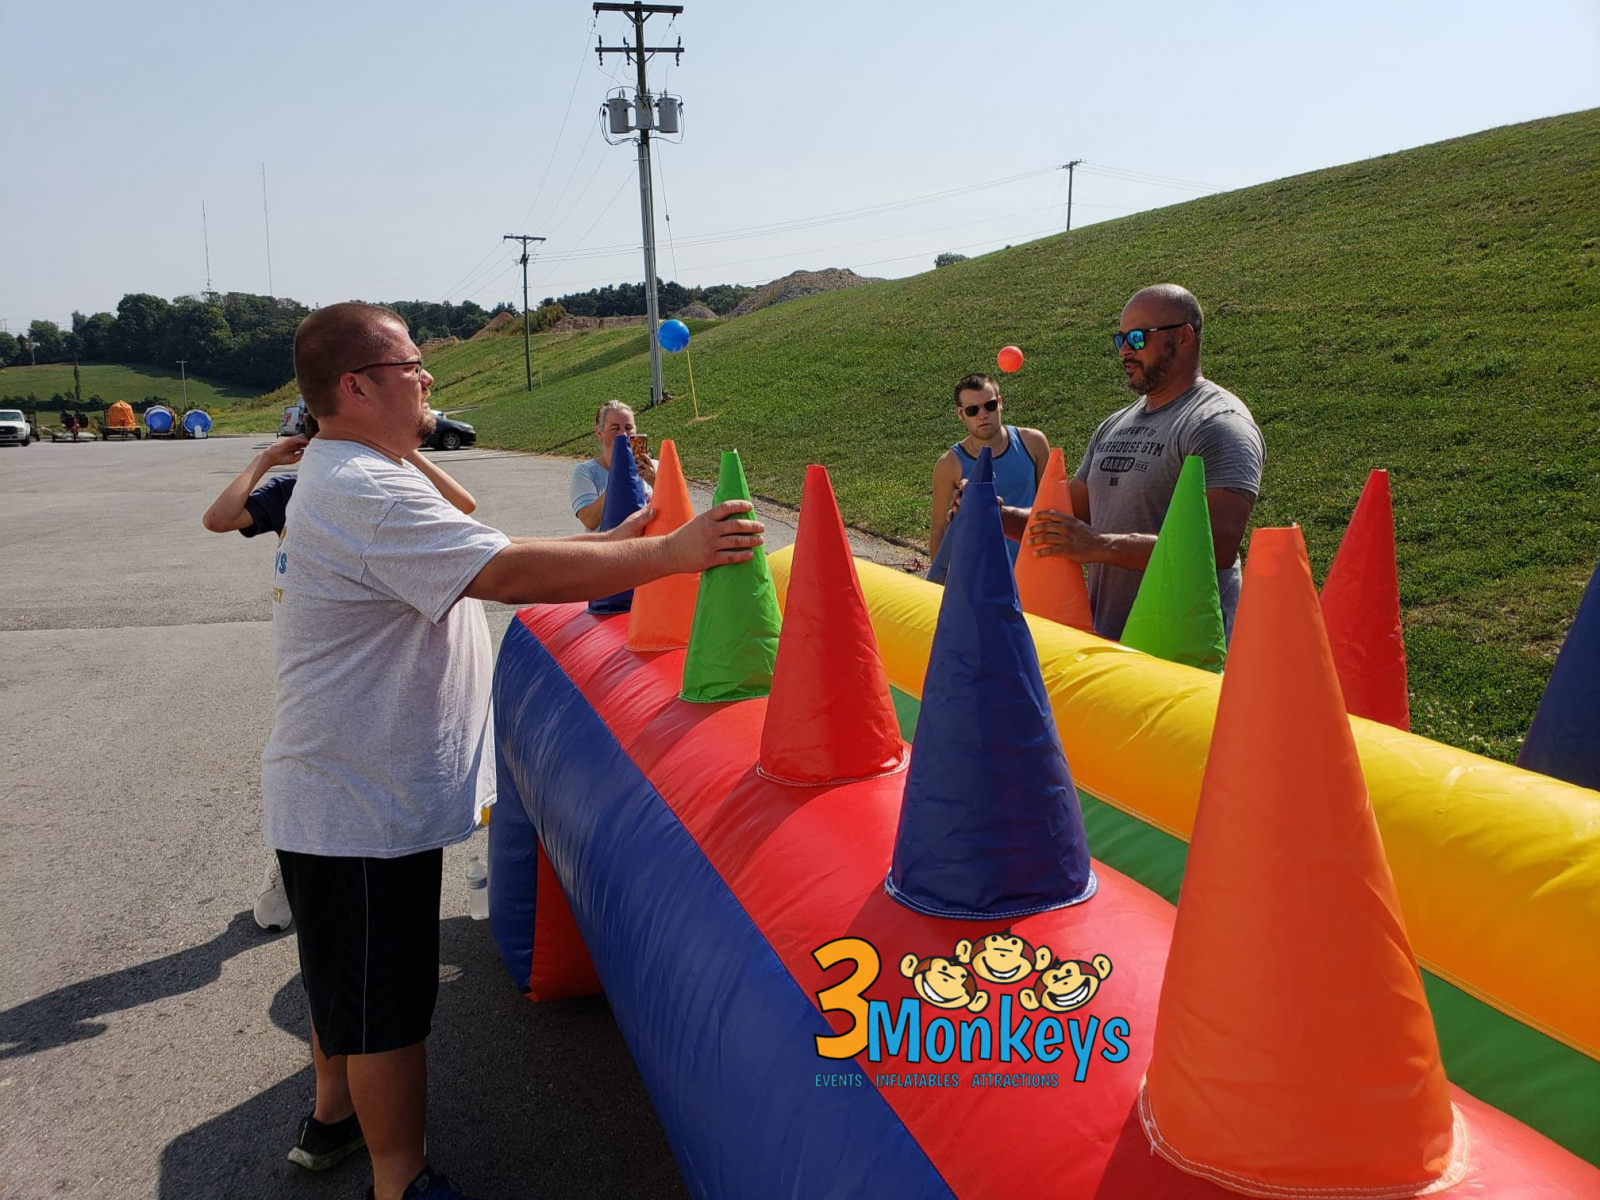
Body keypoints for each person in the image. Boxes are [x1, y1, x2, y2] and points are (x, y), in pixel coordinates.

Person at [265, 302, 761, 1200]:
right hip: (360, 803)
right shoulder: (368, 490)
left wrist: (614, 542)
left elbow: (487, 549)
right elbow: (507, 577)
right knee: (384, 1009)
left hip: (344, 792)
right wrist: (676, 555)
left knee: (344, 974)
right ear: (356, 384)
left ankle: (332, 1120)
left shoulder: (363, 473)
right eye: (412, 363)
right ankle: (400, 1180)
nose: (426, 378)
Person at [201, 414, 477, 934]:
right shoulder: (296, 489)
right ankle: (291, 864)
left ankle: (312, 860)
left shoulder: (386, 481)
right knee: (310, 761)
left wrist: (401, 447)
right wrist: (265, 459)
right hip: (320, 647)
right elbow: (219, 518)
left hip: (362, 651)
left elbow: (464, 506)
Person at [1023, 284, 1265, 641]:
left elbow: (1216, 546)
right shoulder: (1114, 423)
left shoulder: (1218, 423)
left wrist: (1098, 545)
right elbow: (1067, 520)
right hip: (1112, 641)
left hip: (1187, 652)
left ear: (1184, 337)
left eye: (1137, 338)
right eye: (1119, 339)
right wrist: (992, 514)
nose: (1124, 351)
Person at [925, 373, 1049, 584]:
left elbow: (1051, 506)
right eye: (972, 410)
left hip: (1033, 571)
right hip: (979, 580)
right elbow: (939, 531)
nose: (982, 415)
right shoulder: (949, 464)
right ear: (961, 414)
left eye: (989, 405)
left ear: (1000, 403)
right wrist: (940, 588)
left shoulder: (1033, 443)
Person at [569, 400, 657, 530]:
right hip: (608, 547)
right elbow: (589, 521)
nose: (623, 434)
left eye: (628, 428)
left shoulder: (655, 467)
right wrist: (618, 480)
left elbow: (676, 508)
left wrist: (655, 481)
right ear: (599, 433)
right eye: (615, 428)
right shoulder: (586, 472)